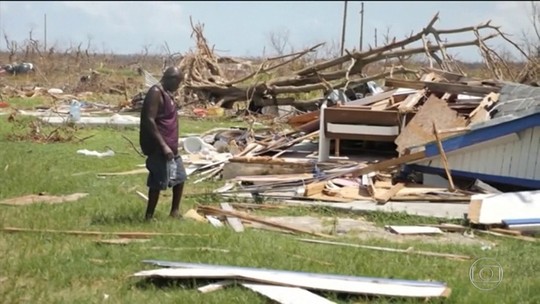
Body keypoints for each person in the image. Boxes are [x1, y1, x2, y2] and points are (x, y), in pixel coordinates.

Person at [139, 66, 186, 221]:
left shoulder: (167, 93)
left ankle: (175, 211)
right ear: (171, 79)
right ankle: (149, 216)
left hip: (171, 147)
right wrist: (164, 146)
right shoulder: (155, 92)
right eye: (178, 82)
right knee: (157, 181)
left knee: (180, 178)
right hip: (159, 147)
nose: (178, 86)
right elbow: (149, 120)